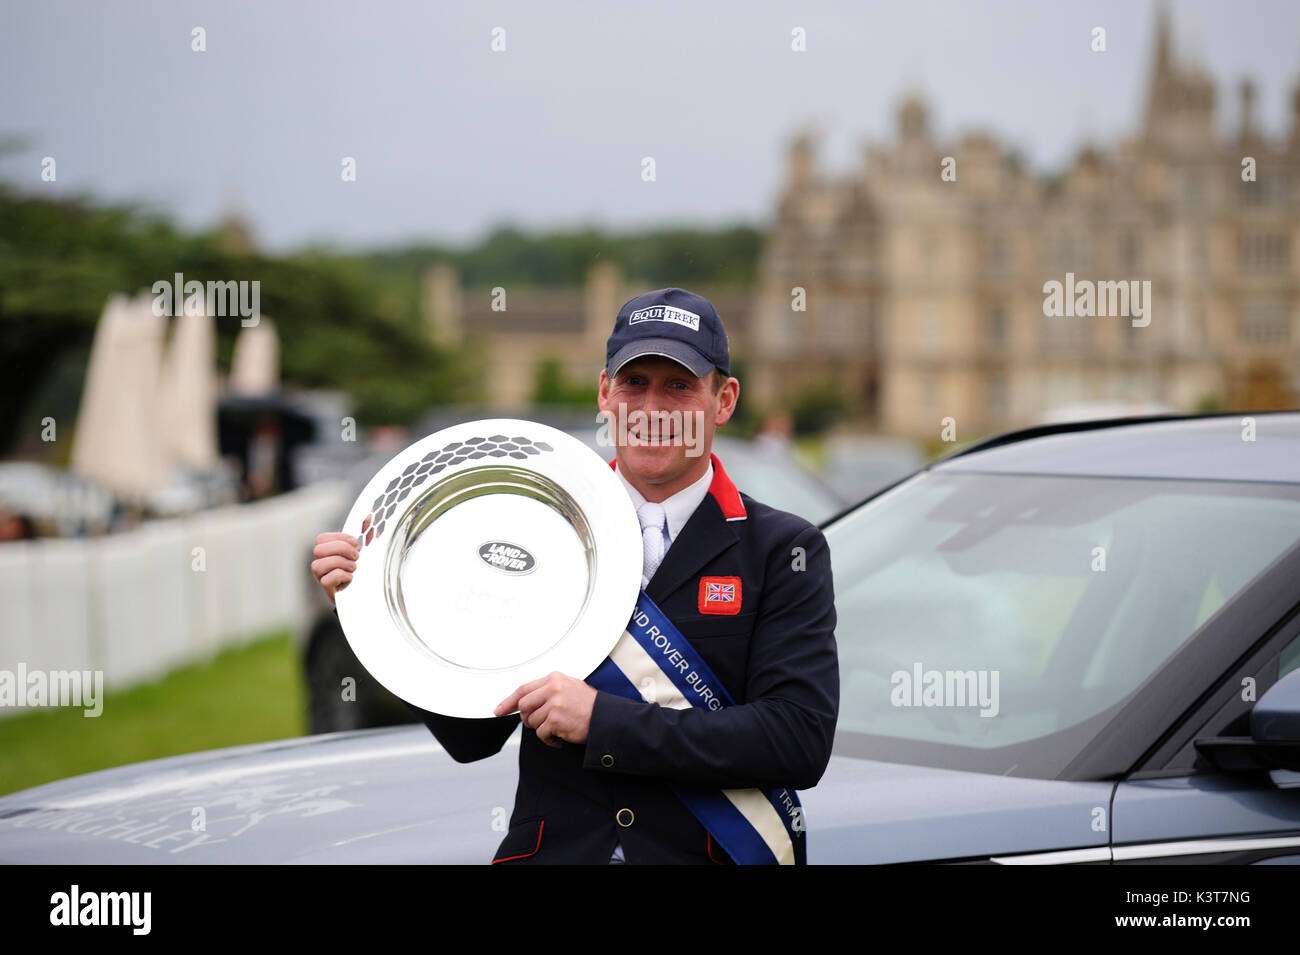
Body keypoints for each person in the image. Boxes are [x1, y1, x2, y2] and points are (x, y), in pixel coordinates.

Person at [312, 287, 839, 864]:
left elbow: (796, 741)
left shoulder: (784, 549)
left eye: (679, 386)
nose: (652, 410)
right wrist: (378, 609)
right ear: (604, 394)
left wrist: (603, 721)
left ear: (725, 399)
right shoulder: (536, 531)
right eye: (633, 384)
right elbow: (471, 740)